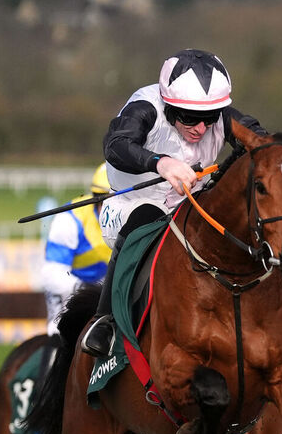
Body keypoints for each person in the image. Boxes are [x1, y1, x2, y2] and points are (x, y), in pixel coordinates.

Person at [80, 49, 268, 357]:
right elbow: (116, 145)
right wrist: (160, 163)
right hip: (132, 205)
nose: (201, 129)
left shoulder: (216, 115)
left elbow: (260, 139)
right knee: (149, 214)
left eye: (209, 119)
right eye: (190, 118)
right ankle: (105, 320)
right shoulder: (145, 107)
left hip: (192, 205)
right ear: (168, 105)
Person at [40, 164, 113, 335]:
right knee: (59, 336)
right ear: (96, 199)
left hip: (104, 294)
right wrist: (90, 291)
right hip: (68, 294)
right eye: (107, 202)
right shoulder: (70, 219)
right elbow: (51, 274)